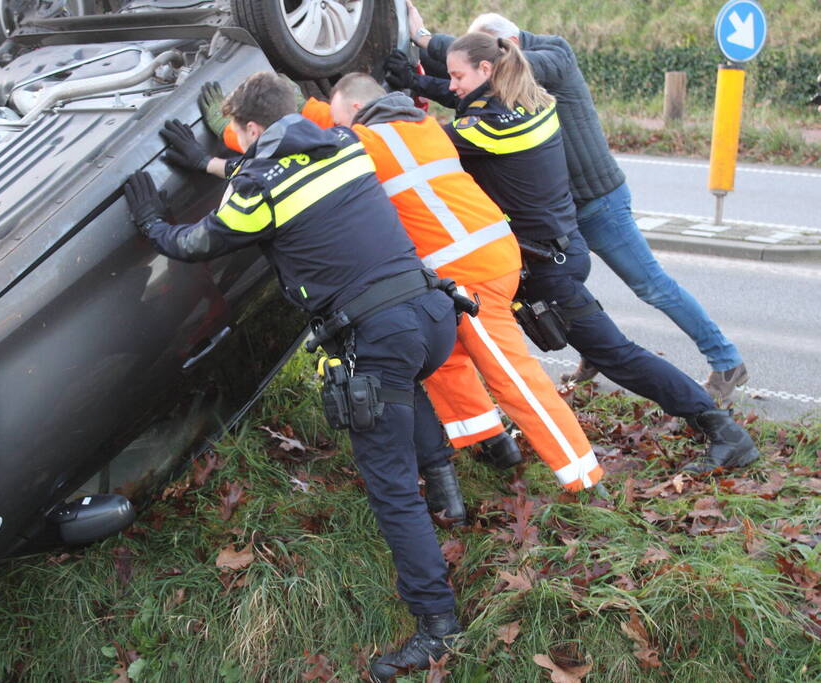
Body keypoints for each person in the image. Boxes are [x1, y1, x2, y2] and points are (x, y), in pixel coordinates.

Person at [126, 71, 462, 680]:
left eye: (244, 136)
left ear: (254, 130)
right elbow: (285, 178)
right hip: (430, 313)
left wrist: (152, 224)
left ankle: (438, 627)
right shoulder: (343, 144)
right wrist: (210, 163)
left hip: (378, 332)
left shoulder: (257, 182)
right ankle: (448, 495)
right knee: (405, 383)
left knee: (389, 488)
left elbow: (202, 240)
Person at [204, 74, 606, 498]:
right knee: (446, 361)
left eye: (343, 121)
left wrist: (230, 133)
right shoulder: (421, 125)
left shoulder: (367, 144)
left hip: (469, 270)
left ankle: (584, 477)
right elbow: (316, 117)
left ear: (357, 114)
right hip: (481, 256)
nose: (339, 129)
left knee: (514, 379)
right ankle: (491, 445)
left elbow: (292, 146)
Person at [386, 4, 749, 402]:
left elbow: (486, 84)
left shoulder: (553, 55)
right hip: (559, 211)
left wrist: (425, 39)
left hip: (598, 201)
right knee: (566, 288)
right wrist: (422, 82)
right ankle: (592, 351)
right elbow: (472, 93)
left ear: (506, 48)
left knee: (651, 286)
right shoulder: (504, 87)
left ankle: (726, 360)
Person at [434, 32, 760, 475]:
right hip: (561, 252)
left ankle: (722, 430)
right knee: (482, 343)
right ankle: (487, 440)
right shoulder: (530, 104)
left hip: (549, 268)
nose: (451, 85)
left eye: (457, 76)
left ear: (486, 71)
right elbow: (464, 110)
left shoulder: (493, 125)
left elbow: (430, 141)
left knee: (616, 355)